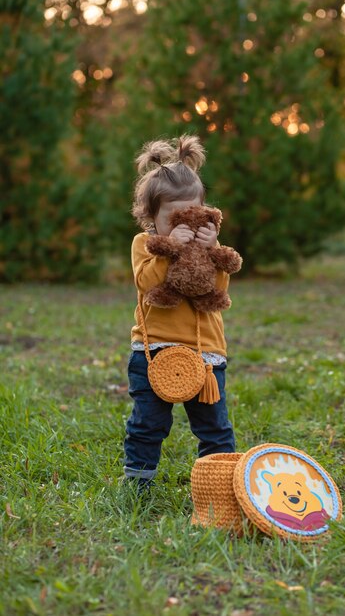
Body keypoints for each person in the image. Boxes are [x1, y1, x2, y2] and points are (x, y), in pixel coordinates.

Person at [124, 135, 236, 494]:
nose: (183, 226)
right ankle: (138, 484)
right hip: (154, 351)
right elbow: (147, 283)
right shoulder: (146, 245)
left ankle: (219, 485)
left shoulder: (210, 248)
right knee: (148, 423)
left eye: (192, 214)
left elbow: (216, 290)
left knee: (214, 426)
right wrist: (170, 248)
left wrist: (211, 248)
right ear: (151, 217)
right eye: (173, 219)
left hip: (206, 357)